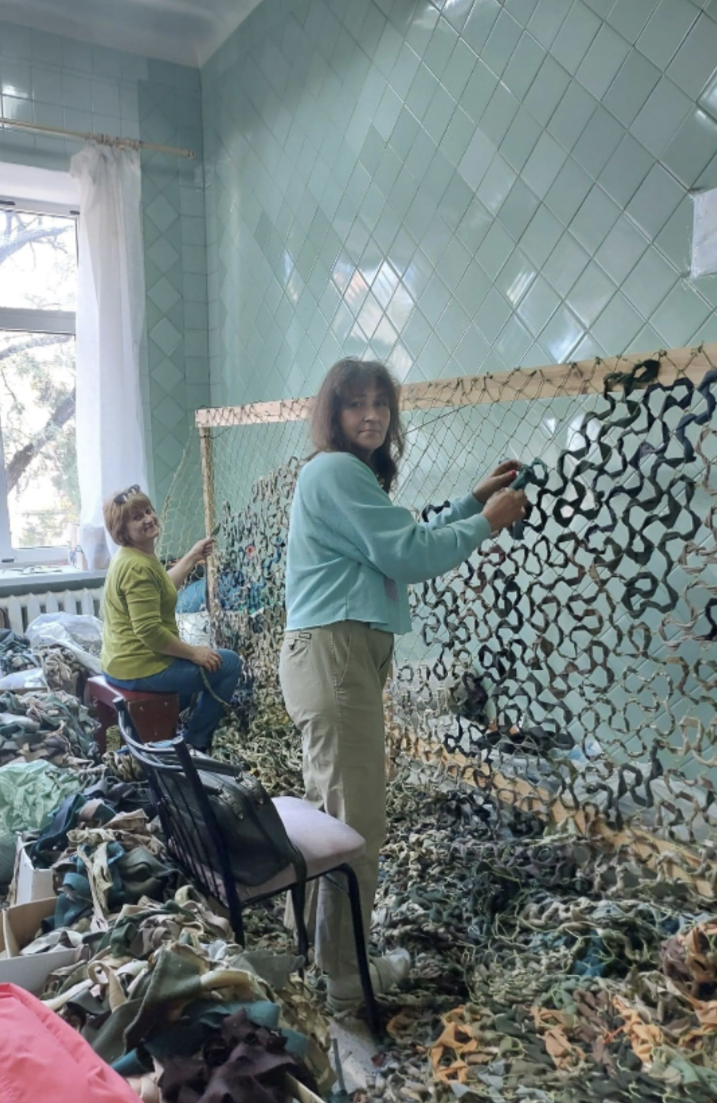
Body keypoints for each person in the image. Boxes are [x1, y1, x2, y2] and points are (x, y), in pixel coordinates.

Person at [279, 359, 528, 1013]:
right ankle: (348, 979)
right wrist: (488, 522)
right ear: (332, 414)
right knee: (353, 826)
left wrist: (471, 502)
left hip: (330, 655)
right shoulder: (336, 470)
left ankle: (316, 953)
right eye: (355, 404)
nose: (371, 416)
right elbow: (411, 556)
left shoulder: (342, 477)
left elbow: (403, 536)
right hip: (335, 656)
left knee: (329, 817)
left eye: (380, 405)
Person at [100, 484, 242, 752]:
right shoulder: (136, 568)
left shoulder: (134, 556)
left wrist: (192, 556)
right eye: (137, 517)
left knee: (194, 678)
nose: (148, 518)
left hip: (121, 662)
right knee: (230, 664)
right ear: (122, 531)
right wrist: (193, 653)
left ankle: (163, 730)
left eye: (148, 510)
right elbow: (150, 632)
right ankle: (196, 740)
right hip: (139, 666)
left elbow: (162, 587)